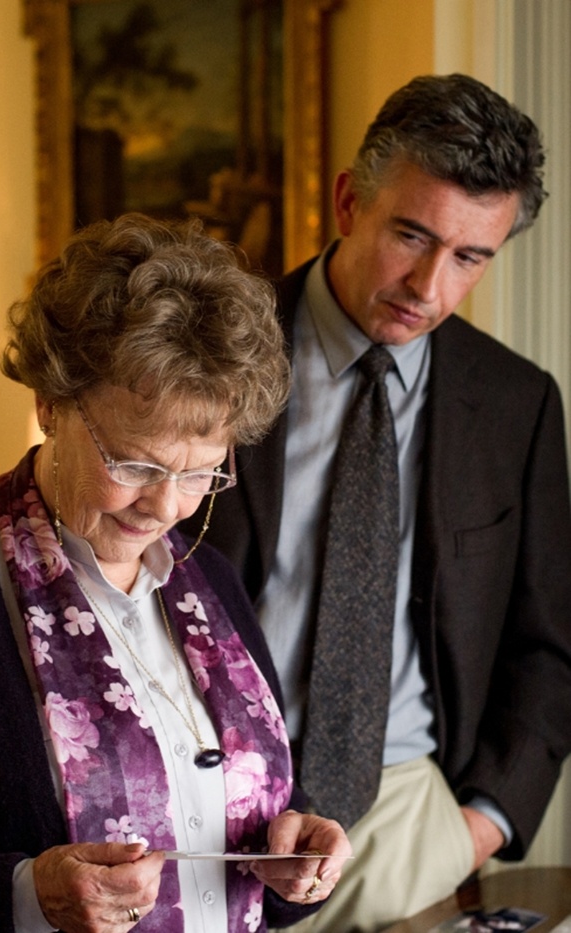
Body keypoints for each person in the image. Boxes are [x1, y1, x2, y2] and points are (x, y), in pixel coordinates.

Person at [0, 214, 353, 933]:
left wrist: (291, 859)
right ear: (50, 403)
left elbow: (234, 828)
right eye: (132, 463)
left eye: (199, 474)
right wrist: (21, 896)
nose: (163, 506)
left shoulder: (211, 580)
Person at [180, 73, 571, 931]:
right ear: (349, 200)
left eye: (471, 257)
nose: (429, 285)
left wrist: (481, 824)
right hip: (211, 814)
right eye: (412, 234)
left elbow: (549, 641)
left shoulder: (518, 403)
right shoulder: (209, 353)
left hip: (408, 821)